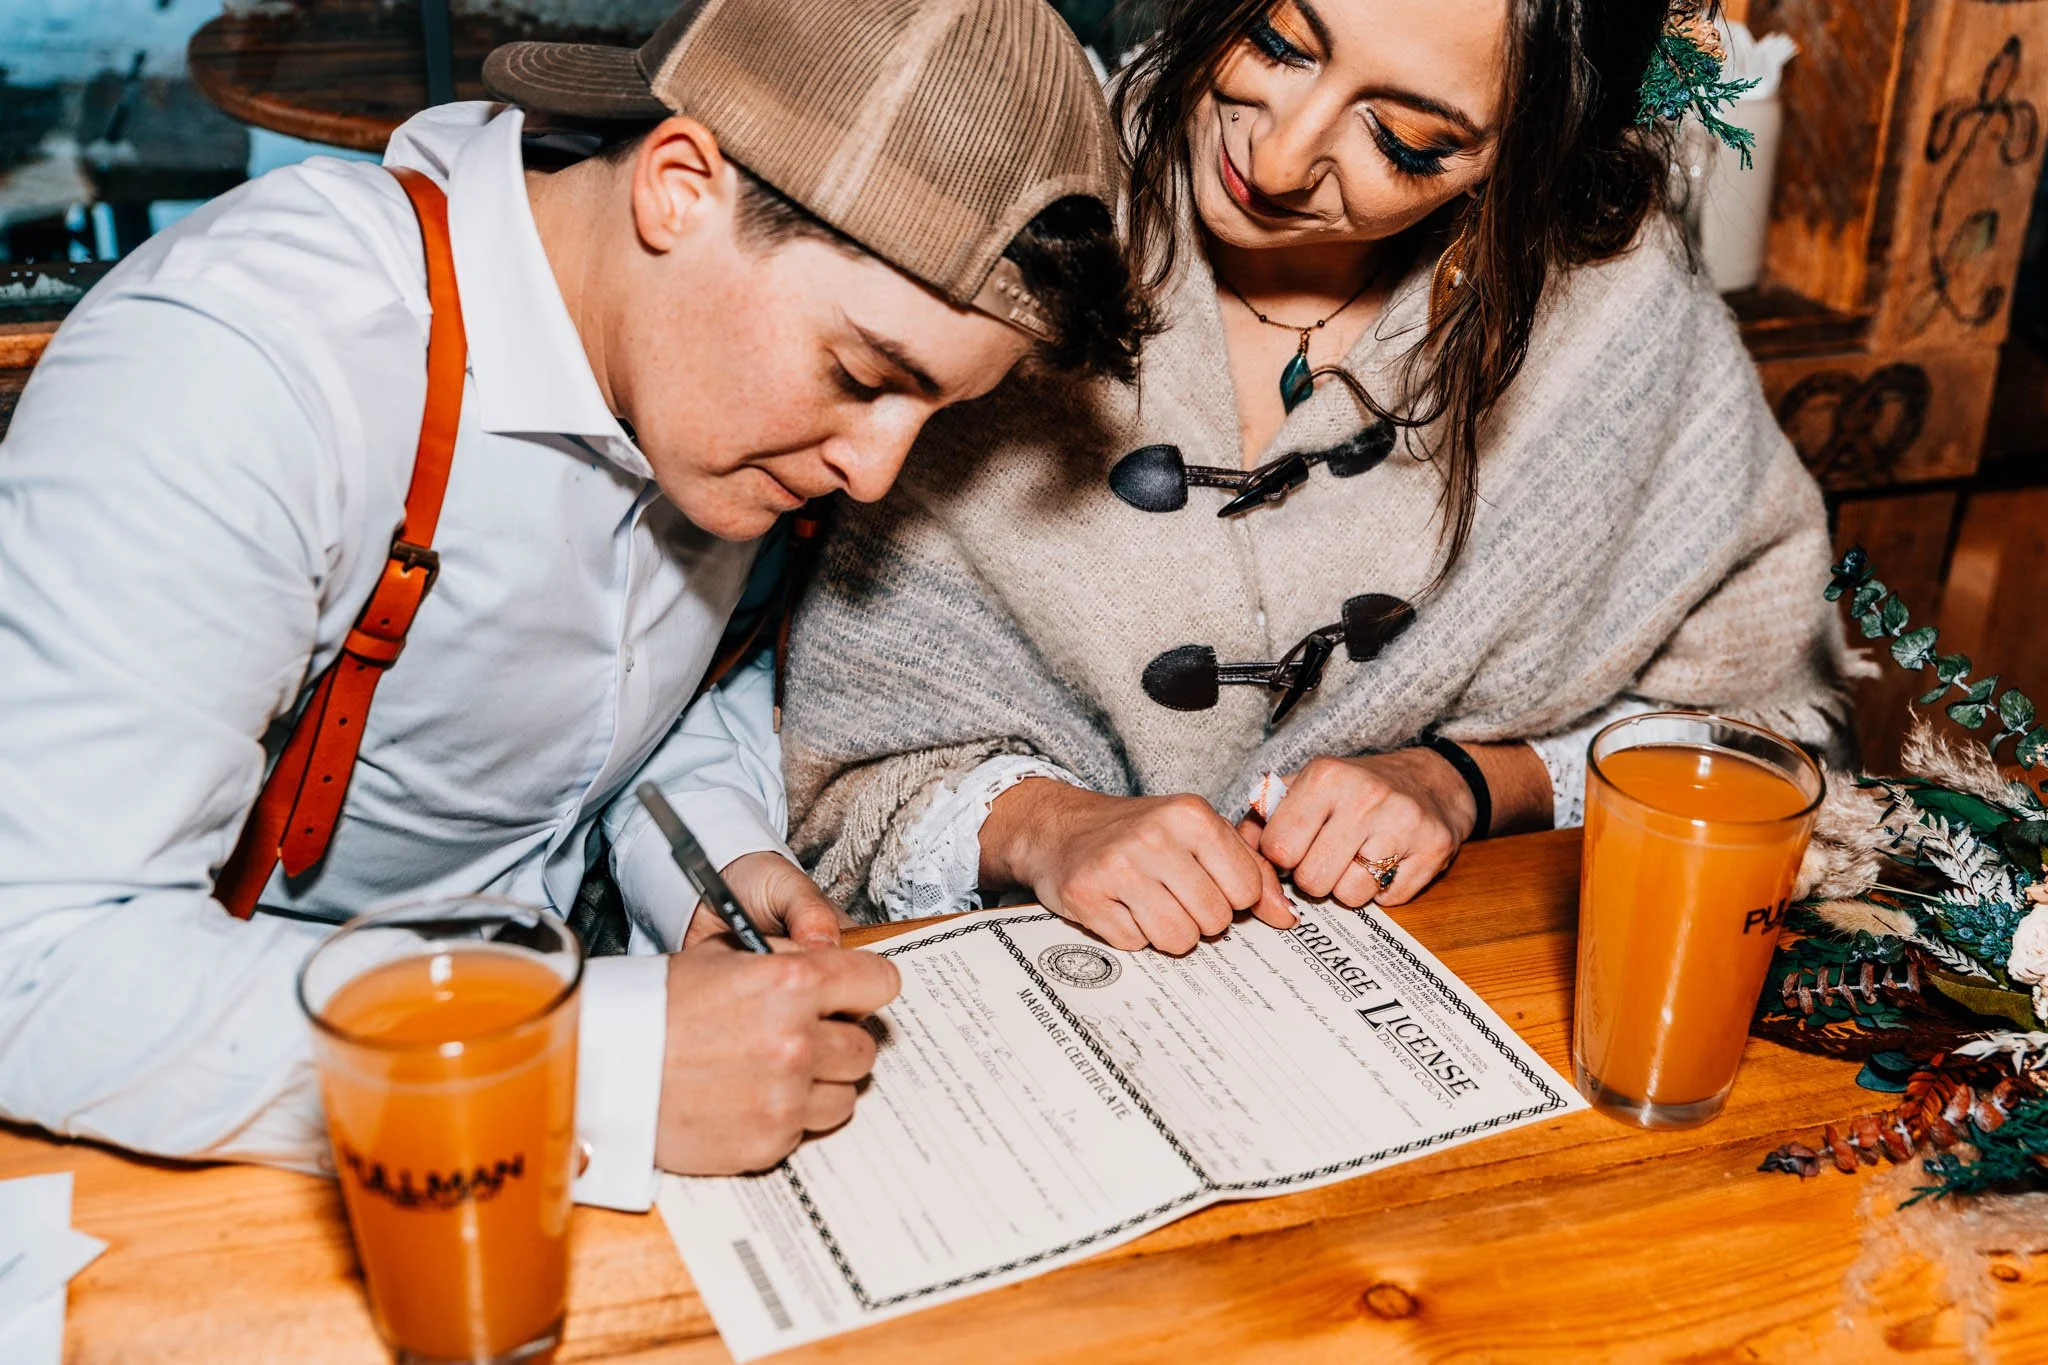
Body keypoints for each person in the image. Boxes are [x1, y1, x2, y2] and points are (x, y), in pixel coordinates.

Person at [0, 0, 1147, 1209]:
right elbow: (33, 956)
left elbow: (634, 695)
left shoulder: (697, 379)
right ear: (678, 189)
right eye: (860, 375)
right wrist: (587, 1064)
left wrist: (710, 861)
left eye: (935, 413)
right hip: (203, 1146)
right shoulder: (252, 362)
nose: (872, 473)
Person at [782, 0, 1856, 949]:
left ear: (1528, 156)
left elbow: (1766, 741)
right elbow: (847, 767)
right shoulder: (1019, 215)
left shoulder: (1614, 318)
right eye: (1277, 39)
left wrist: (1465, 782)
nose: (1282, 156)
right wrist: (1047, 828)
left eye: (1405, 140)